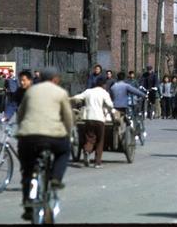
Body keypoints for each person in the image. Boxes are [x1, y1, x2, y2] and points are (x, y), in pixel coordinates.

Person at [16, 67, 72, 221]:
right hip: (52, 136)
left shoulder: (31, 91)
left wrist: (21, 129)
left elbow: (21, 114)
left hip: (27, 137)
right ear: (55, 79)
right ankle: (55, 178)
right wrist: (68, 133)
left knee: (27, 170)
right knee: (64, 151)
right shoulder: (60, 92)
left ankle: (28, 202)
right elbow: (68, 117)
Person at [71, 78, 115, 168]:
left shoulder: (88, 91)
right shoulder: (104, 92)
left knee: (90, 138)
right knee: (100, 140)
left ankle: (87, 150)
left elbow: (77, 97)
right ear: (103, 85)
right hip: (99, 119)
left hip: (88, 118)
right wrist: (109, 110)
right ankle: (97, 163)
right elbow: (110, 105)